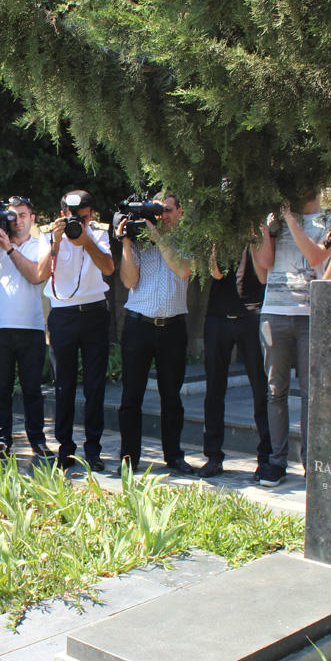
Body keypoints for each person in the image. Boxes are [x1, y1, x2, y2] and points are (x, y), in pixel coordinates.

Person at [251, 191, 331, 487]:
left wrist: (290, 218)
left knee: (310, 394)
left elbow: (316, 257)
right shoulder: (275, 220)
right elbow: (264, 267)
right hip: (274, 313)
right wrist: (263, 228)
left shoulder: (330, 221)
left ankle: (311, 464)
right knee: (275, 391)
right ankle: (276, 462)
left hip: (310, 315)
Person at [116, 192, 193, 474]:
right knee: (131, 397)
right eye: (158, 211)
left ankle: (174, 455)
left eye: (168, 210)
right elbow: (129, 281)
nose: (163, 216)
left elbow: (184, 270)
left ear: (180, 212)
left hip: (173, 327)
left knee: (171, 397)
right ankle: (129, 458)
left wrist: (158, 238)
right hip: (139, 325)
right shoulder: (138, 239)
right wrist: (127, 241)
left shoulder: (187, 240)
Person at [0, 196, 53, 461]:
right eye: (12, 216)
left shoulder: (40, 245)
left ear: (32, 218)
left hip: (31, 327)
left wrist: (8, 248)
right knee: (1, 390)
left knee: (32, 390)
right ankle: (2, 442)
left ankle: (37, 441)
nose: (16, 220)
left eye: (22, 215)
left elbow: (36, 275)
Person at [38, 189, 114, 471]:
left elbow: (108, 267)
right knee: (63, 385)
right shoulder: (49, 235)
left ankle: (93, 450)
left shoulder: (98, 233)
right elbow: (40, 274)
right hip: (63, 315)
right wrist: (56, 242)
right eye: (71, 216)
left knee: (95, 386)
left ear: (90, 215)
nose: (76, 221)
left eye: (82, 217)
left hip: (94, 313)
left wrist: (86, 241)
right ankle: (65, 449)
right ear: (62, 214)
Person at [198, 242, 271, 478]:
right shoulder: (220, 233)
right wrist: (215, 240)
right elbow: (215, 272)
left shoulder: (257, 232)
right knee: (214, 389)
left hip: (252, 314)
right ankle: (213, 456)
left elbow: (264, 272)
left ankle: (266, 458)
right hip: (218, 316)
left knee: (261, 389)